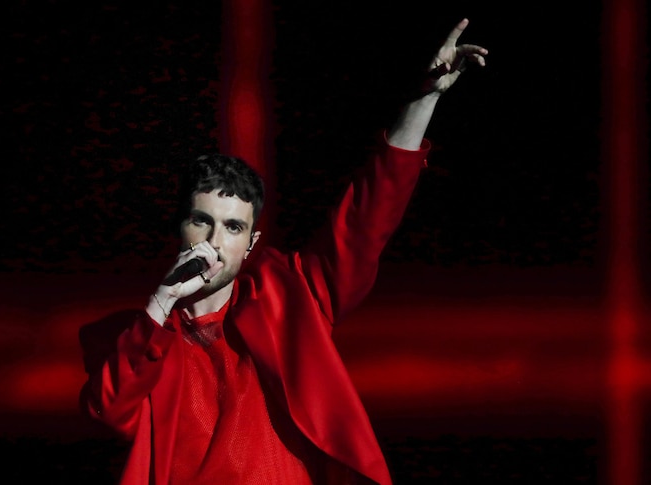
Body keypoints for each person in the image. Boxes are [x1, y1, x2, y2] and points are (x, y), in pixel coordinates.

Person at [80, 18, 487, 485]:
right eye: (202, 221)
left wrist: (424, 100)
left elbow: (366, 222)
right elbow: (109, 412)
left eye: (233, 226)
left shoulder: (290, 295)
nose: (215, 241)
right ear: (179, 227)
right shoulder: (134, 339)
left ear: (252, 241)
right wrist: (160, 305)